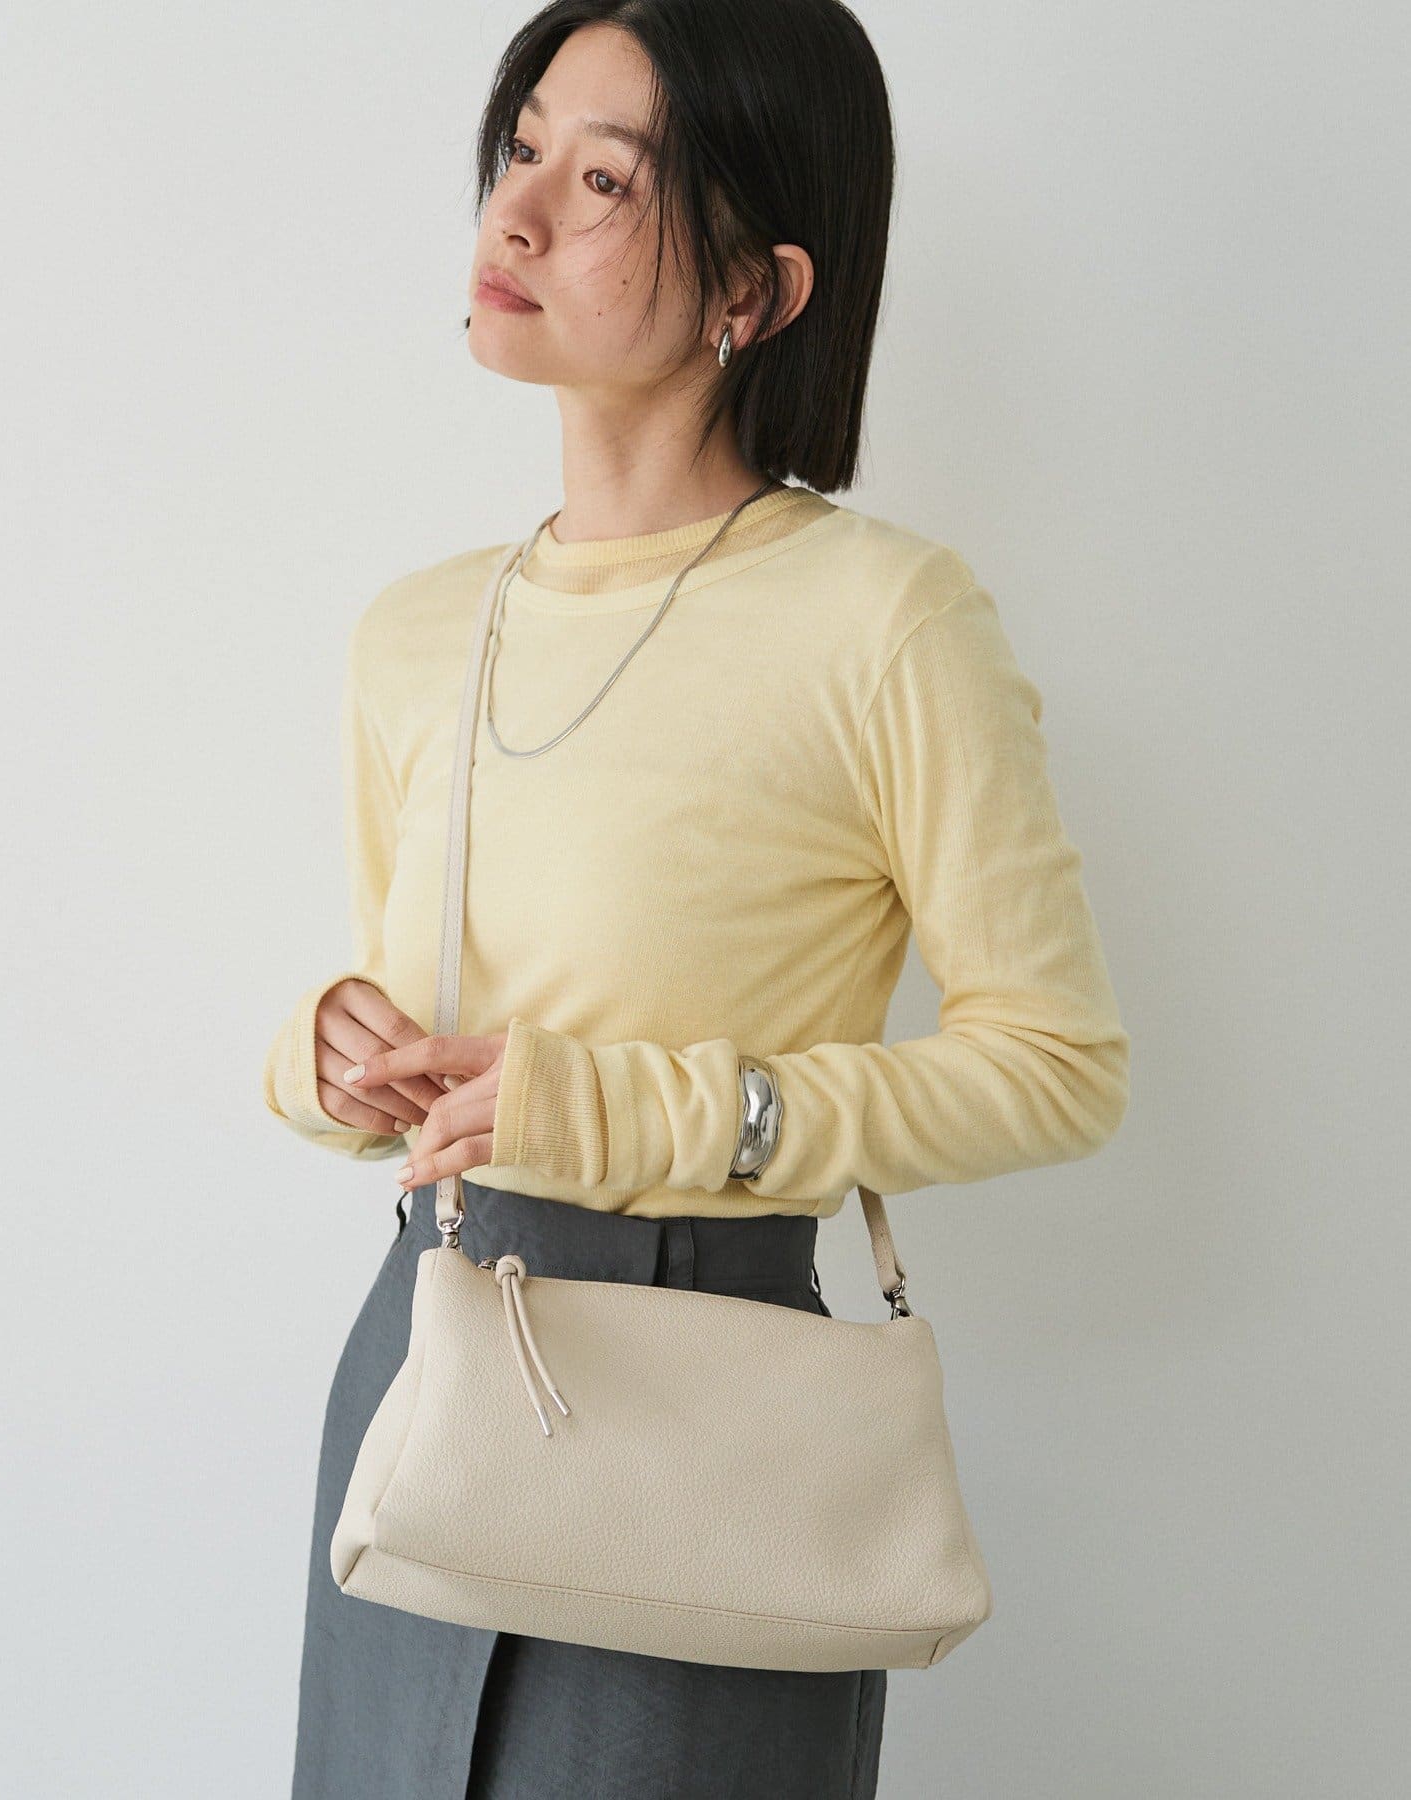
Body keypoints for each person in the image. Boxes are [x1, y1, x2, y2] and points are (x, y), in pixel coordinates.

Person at [263, 3, 1131, 1795]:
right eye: (521, 151)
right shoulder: (417, 633)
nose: (515, 215)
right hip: (423, 1364)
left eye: (603, 182)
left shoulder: (887, 620)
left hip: (703, 1415)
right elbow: (425, 1030)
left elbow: (1058, 1065)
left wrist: (658, 1110)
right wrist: (334, 1054)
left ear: (756, 286)